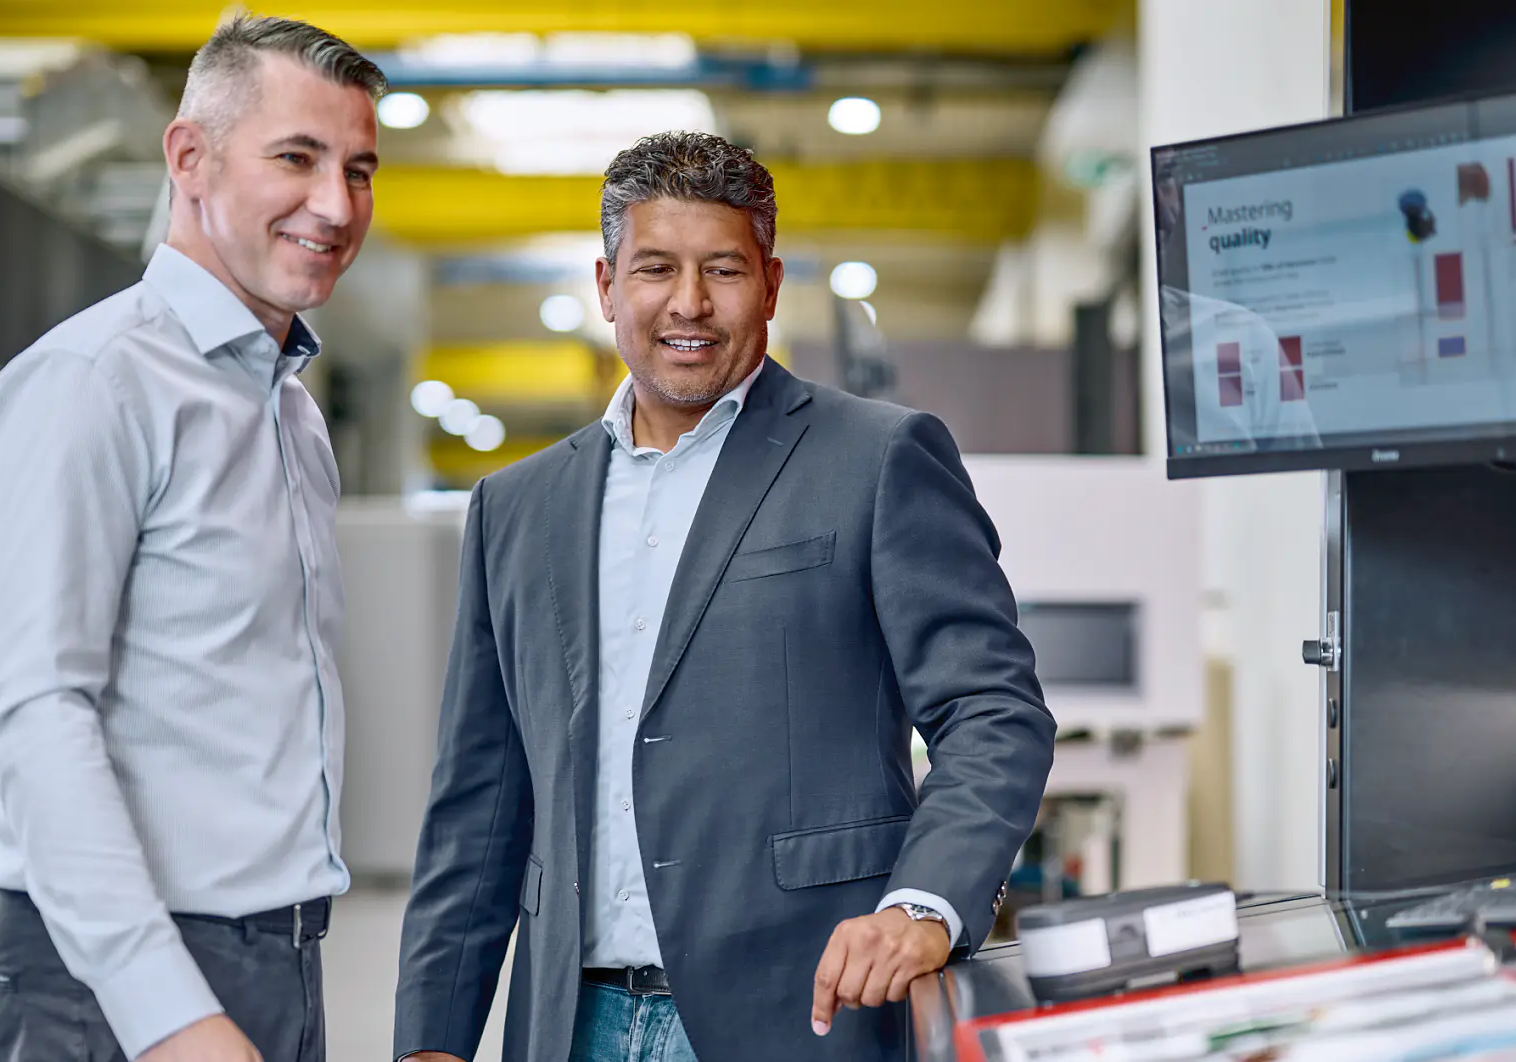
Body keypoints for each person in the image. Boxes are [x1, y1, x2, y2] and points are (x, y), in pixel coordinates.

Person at [394, 131, 1056, 1062]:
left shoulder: (877, 459)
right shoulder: (516, 506)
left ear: (773, 285)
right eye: (656, 268)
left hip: (798, 1016)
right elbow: (480, 798)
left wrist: (923, 905)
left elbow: (993, 711)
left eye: (724, 270)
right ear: (607, 285)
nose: (689, 304)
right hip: (566, 1026)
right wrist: (434, 1037)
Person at [0, 15, 384, 1062]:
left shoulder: (291, 413)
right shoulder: (96, 382)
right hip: (110, 981)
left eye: (360, 169)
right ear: (189, 158)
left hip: (277, 957)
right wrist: (169, 1013)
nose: (335, 206)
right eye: (295, 157)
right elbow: (30, 714)